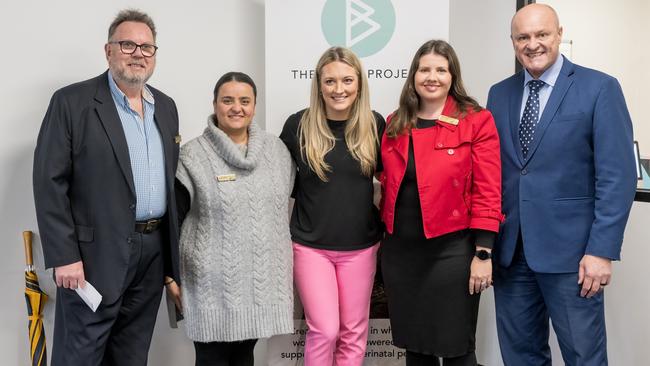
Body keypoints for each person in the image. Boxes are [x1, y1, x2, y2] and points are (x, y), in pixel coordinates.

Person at [486, 4, 637, 366]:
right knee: (520, 356)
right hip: (511, 254)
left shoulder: (599, 88)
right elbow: (497, 173)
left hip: (574, 258)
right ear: (512, 42)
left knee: (583, 356)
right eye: (523, 37)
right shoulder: (498, 94)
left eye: (542, 34)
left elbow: (618, 176)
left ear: (558, 34)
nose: (533, 44)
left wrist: (602, 250)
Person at [32, 9, 180, 365]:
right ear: (108, 50)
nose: (138, 53)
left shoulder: (166, 107)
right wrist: (64, 256)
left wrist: (170, 263)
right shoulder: (72, 102)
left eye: (147, 47)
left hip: (151, 252)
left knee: (131, 354)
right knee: (80, 354)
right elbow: (49, 181)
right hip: (92, 256)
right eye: (127, 44)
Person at [380, 40, 503, 366]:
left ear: (452, 76)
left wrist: (483, 253)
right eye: (424, 69)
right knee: (416, 348)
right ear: (414, 75)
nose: (431, 77)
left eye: (440, 69)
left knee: (457, 350)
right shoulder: (395, 122)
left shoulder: (477, 121)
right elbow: (385, 182)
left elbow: (488, 189)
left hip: (452, 253)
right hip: (401, 256)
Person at [169, 72, 295, 366]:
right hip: (207, 286)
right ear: (214, 104)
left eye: (244, 101)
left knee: (244, 358)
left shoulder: (277, 152)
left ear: (254, 106)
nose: (236, 107)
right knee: (211, 358)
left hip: (258, 285)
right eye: (227, 100)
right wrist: (170, 276)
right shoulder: (192, 156)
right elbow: (173, 219)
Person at [279, 46, 384, 366]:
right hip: (311, 248)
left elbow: (391, 179)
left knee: (353, 332)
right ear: (319, 85)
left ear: (360, 84)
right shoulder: (298, 125)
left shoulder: (375, 124)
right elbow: (282, 182)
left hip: (361, 247)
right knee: (324, 330)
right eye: (330, 81)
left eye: (347, 80)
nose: (339, 89)